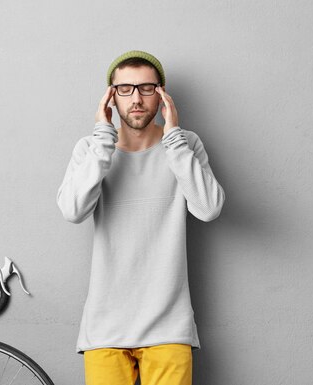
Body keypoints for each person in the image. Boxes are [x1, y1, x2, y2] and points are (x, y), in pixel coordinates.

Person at [57, 50, 225, 385]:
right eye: (125, 89)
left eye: (147, 88)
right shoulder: (89, 149)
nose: (136, 98)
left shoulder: (185, 145)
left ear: (162, 94)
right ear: (110, 96)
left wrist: (174, 141)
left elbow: (208, 208)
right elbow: (73, 210)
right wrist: (103, 140)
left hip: (168, 325)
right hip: (105, 327)